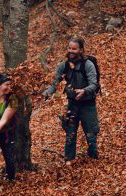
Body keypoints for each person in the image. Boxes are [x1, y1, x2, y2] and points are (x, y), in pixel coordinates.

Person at [43, 36, 100, 166]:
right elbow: (55, 82)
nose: (71, 51)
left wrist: (84, 91)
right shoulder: (64, 65)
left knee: (91, 133)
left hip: (87, 104)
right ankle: (69, 159)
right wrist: (46, 93)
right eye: (69, 48)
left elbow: (94, 84)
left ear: (81, 50)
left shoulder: (88, 64)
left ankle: (93, 158)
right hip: (72, 104)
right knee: (70, 133)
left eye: (74, 48)